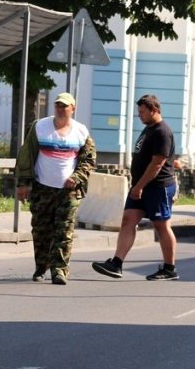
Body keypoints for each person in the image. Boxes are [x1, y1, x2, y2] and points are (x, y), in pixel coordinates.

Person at [93, 94, 179, 281]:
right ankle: (116, 263)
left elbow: (157, 164)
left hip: (158, 187)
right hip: (140, 186)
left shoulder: (162, 132)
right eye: (138, 112)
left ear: (154, 110)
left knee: (161, 226)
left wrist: (139, 186)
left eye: (142, 112)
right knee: (128, 220)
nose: (139, 115)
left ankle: (169, 269)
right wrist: (138, 185)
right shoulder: (149, 129)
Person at [15, 92, 96, 285]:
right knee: (41, 231)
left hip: (68, 192)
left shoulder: (81, 131)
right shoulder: (40, 127)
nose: (60, 109)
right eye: (58, 105)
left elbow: (89, 159)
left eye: (64, 106)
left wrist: (77, 177)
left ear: (73, 108)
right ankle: (41, 267)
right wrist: (23, 184)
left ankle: (59, 270)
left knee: (64, 232)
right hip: (42, 188)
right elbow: (26, 155)